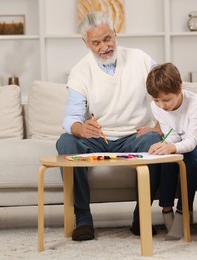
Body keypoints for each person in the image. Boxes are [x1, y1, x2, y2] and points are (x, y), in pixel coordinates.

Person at [56, 12, 163, 241]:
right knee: (66, 142)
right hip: (99, 138)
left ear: (115, 33)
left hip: (136, 136)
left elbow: (165, 90)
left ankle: (141, 217)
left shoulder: (141, 59)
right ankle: (83, 219)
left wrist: (159, 125)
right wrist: (79, 128)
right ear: (86, 43)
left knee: (155, 141)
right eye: (96, 42)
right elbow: (70, 118)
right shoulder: (80, 71)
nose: (104, 46)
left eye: (107, 38)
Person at [146, 62, 197, 240]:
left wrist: (172, 146)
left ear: (179, 89)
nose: (161, 106)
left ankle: (183, 213)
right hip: (182, 140)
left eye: (166, 100)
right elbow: (171, 134)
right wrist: (164, 144)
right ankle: (166, 209)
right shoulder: (156, 106)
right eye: (156, 100)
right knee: (166, 158)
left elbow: (191, 142)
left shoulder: (196, 103)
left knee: (188, 159)